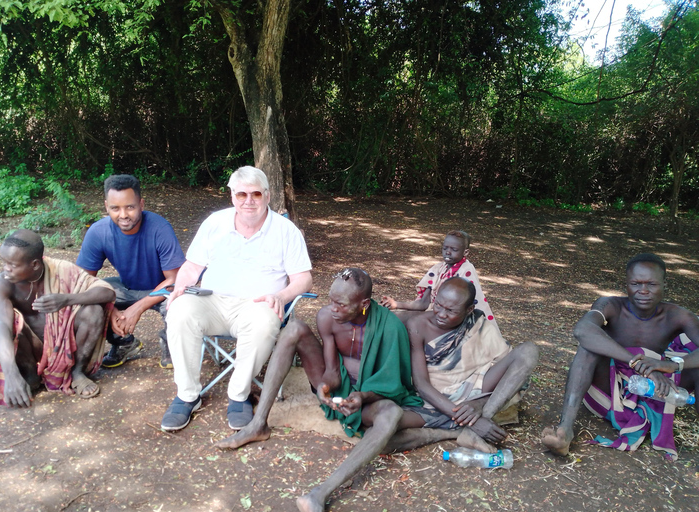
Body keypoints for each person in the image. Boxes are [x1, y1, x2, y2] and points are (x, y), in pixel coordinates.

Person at [216, 268, 433, 512]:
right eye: (331, 301)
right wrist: (324, 386)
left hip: (370, 396)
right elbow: (332, 370)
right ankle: (258, 424)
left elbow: (392, 383)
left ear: (363, 303)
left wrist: (362, 396)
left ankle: (321, 492)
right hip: (342, 385)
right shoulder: (327, 317)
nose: (333, 308)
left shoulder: (390, 326)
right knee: (295, 328)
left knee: (391, 413)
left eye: (340, 304)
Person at [162, 166, 312, 431]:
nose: (248, 200)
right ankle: (187, 395)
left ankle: (239, 396)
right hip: (213, 301)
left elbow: (303, 279)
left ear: (267, 196)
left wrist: (281, 295)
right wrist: (181, 287)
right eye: (241, 194)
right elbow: (191, 267)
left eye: (255, 193)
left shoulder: (286, 231)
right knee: (179, 309)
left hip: (257, 305)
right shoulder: (214, 223)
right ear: (232, 196)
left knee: (266, 320)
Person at [541, 253, 699, 460]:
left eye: (651, 284)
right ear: (626, 284)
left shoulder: (678, 315)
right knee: (590, 346)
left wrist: (671, 366)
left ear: (664, 284)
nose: (643, 291)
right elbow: (583, 330)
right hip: (611, 388)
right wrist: (635, 362)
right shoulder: (610, 306)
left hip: (657, 390)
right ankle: (565, 430)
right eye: (636, 283)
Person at [394, 276, 538, 453]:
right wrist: (475, 422)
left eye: (451, 310)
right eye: (438, 305)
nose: (441, 313)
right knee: (386, 427)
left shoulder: (478, 325)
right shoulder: (417, 325)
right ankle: (462, 430)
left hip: (473, 390)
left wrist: (478, 406)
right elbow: (422, 385)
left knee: (529, 350)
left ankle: (481, 419)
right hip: (433, 400)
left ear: (469, 309)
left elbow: (509, 372)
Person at [0, 229, 116, 407]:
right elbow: (0, 326)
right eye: (4, 262)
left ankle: (77, 372)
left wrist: (67, 299)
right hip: (31, 348)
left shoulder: (62, 270)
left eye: (13, 264)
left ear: (34, 264)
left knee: (93, 309)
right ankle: (29, 375)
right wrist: (10, 375)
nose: (5, 269)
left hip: (66, 345)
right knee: (11, 322)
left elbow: (107, 292)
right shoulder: (1, 284)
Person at [76, 174, 185, 369]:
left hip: (161, 289)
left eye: (130, 207)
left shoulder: (160, 228)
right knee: (90, 298)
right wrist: (112, 309)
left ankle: (171, 342)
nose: (123, 214)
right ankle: (124, 343)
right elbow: (82, 279)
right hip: (127, 286)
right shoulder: (98, 232)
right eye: (115, 208)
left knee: (181, 300)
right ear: (106, 206)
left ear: (141, 204)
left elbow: (175, 279)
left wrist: (138, 307)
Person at [380, 230, 500, 334]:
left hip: (449, 317)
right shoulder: (438, 269)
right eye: (445, 248)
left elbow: (463, 309)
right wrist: (396, 304)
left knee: (405, 321)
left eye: (454, 249)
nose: (448, 252)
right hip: (435, 312)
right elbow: (423, 303)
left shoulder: (466, 271)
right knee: (392, 317)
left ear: (465, 252)